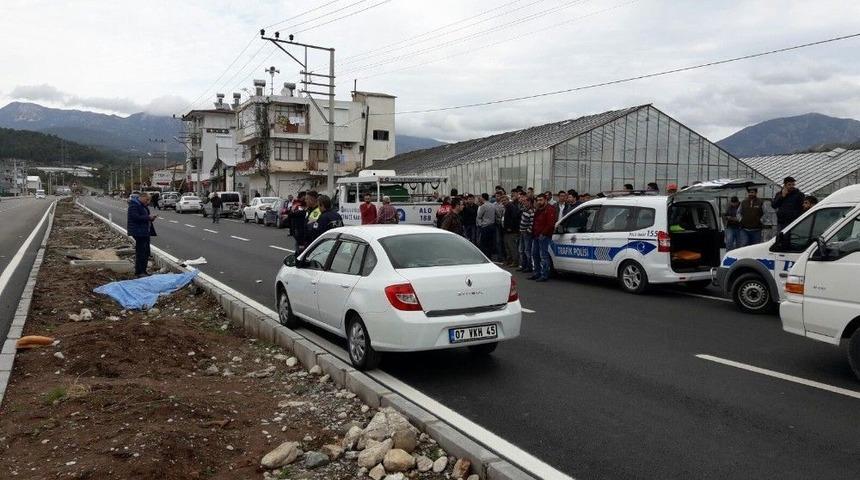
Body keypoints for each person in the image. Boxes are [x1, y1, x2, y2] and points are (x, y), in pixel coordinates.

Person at [127, 192, 157, 277]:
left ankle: (143, 271)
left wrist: (151, 219)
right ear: (142, 197)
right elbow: (135, 217)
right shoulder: (134, 205)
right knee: (141, 251)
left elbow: (144, 216)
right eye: (147, 199)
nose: (148, 202)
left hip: (145, 231)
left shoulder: (142, 205)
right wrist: (148, 217)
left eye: (149, 200)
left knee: (146, 251)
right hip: (138, 231)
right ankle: (139, 272)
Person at [530, 194, 556, 282]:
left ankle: (544, 274)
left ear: (545, 200)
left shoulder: (550, 209)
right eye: (538, 200)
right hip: (536, 235)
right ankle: (537, 273)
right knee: (535, 255)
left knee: (543, 256)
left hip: (544, 236)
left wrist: (543, 234)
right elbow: (535, 222)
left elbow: (550, 224)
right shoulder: (539, 209)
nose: (539, 202)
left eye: (541, 200)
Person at [502, 195, 521, 267]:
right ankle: (509, 260)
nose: (503, 202)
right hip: (506, 230)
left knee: (512, 246)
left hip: (511, 231)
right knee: (507, 246)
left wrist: (510, 227)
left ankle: (515, 261)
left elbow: (514, 218)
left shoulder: (511, 207)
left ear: (508, 200)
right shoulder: (506, 207)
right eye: (502, 201)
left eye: (505, 200)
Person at [476, 193, 496, 258]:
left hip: (485, 226)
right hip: (492, 226)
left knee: (483, 243)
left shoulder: (483, 206)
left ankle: (484, 256)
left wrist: (480, 224)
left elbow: (479, 217)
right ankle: (489, 256)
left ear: (483, 198)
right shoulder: (493, 205)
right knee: (490, 242)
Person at [518, 196, 534, 273]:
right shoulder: (524, 210)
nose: (523, 203)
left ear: (529, 202)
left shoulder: (531, 211)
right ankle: (523, 265)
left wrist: (528, 231)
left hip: (527, 233)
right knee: (521, 250)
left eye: (525, 201)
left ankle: (529, 266)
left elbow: (531, 223)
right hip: (522, 232)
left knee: (527, 250)